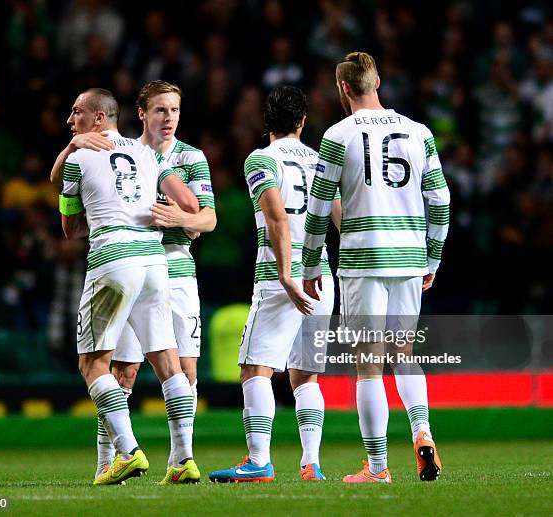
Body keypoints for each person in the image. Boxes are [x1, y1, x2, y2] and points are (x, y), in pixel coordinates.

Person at [302, 52, 450, 483]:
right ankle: (421, 429)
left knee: (368, 364)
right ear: (377, 80)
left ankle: (379, 467)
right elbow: (440, 200)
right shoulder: (418, 131)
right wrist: (433, 256)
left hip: (363, 258)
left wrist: (311, 260)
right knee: (404, 355)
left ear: (343, 88)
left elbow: (317, 206)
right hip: (408, 257)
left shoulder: (338, 134)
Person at [58, 88, 201, 485]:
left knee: (93, 363)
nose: (71, 121)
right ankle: (184, 459)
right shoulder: (150, 154)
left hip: (114, 258)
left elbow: (70, 229)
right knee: (168, 362)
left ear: (99, 118)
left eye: (76, 114)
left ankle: (129, 451)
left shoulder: (79, 158)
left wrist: (79, 180)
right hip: (156, 260)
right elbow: (190, 205)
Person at [209, 85, 341, 483]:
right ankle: (311, 463)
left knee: (254, 369)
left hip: (281, 279)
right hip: (322, 276)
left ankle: (258, 460)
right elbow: (341, 218)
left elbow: (277, 218)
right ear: (302, 122)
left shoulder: (260, 160)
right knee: (306, 376)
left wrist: (286, 273)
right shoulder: (319, 160)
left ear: (267, 122)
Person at [105, 80, 216, 485]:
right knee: (123, 371)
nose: (168, 118)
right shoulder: (125, 154)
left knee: (185, 370)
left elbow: (208, 218)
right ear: (142, 114)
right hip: (133, 265)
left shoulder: (191, 158)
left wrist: (179, 219)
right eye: (160, 111)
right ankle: (108, 458)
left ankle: (179, 459)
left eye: (174, 111)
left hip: (177, 269)